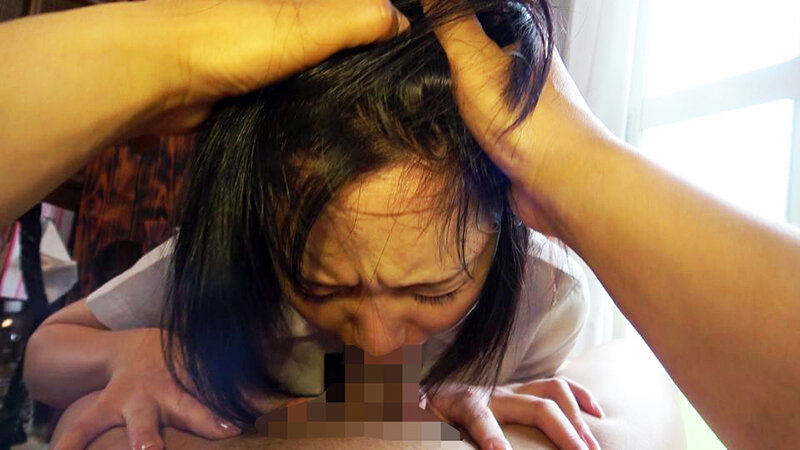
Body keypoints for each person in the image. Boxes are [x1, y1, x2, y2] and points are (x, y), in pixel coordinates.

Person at [1, 0, 797, 449]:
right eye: (324, 287)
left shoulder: (545, 296)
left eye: (431, 290)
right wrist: (139, 352)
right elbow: (43, 355)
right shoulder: (228, 266)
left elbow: (620, 393)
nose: (379, 338)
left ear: (509, 224)